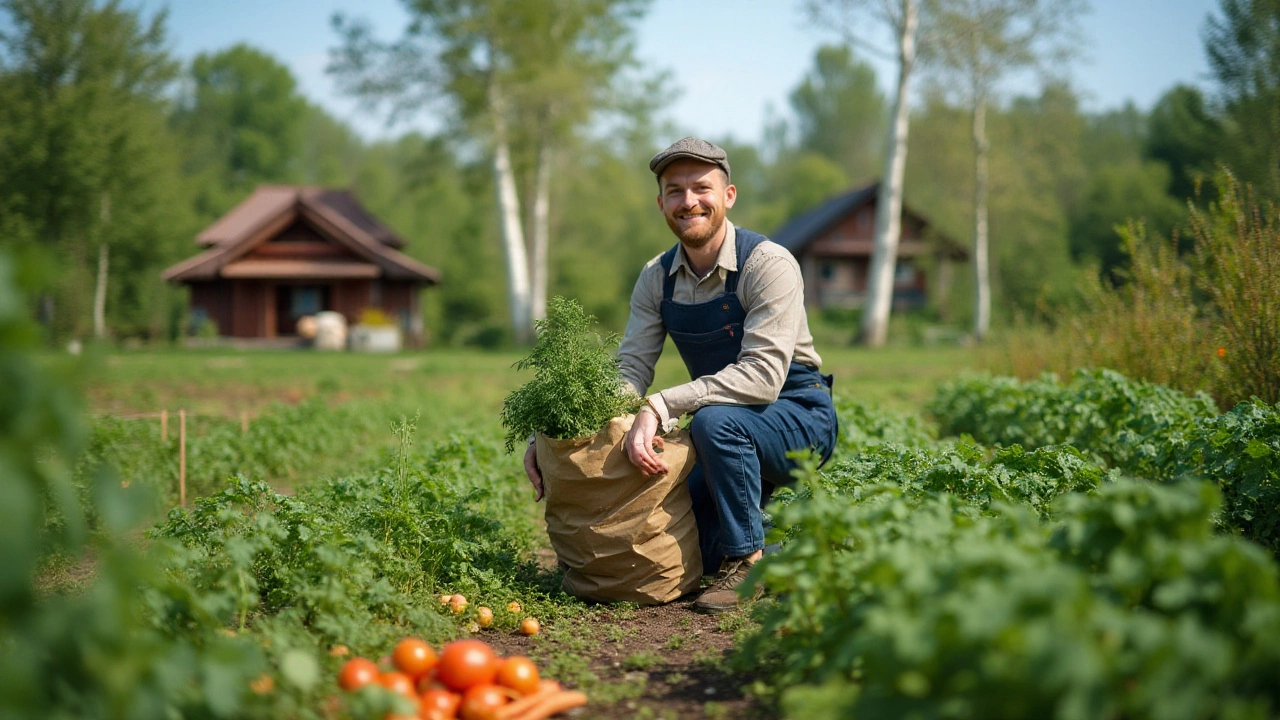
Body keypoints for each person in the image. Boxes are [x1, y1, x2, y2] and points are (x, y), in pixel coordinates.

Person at [523, 137, 837, 614]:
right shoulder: (657, 276)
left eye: (701, 188)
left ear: (728, 196)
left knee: (713, 423)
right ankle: (787, 556)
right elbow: (630, 369)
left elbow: (763, 377)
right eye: (675, 191)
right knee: (688, 540)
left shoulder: (767, 264)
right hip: (726, 430)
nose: (688, 201)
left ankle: (748, 562)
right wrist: (562, 428)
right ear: (661, 203)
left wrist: (661, 406)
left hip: (797, 418)